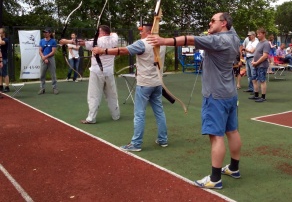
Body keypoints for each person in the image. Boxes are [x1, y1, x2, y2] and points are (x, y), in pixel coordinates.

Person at [147, 12, 242, 190]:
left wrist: (163, 41)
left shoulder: (217, 41)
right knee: (232, 131)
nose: (209, 23)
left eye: (213, 20)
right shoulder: (234, 36)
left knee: (216, 136)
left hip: (215, 96)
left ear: (223, 24)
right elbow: (215, 32)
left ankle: (214, 179)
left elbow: (189, 40)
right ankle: (234, 168)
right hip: (229, 94)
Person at [93, 23, 168, 152]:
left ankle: (136, 143)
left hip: (145, 83)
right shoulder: (162, 42)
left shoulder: (142, 43)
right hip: (157, 83)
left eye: (142, 31)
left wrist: (103, 51)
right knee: (159, 111)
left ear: (149, 32)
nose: (140, 33)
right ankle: (163, 139)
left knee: (139, 114)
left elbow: (123, 50)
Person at [60, 25, 120, 124]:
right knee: (112, 95)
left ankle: (91, 118)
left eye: (99, 32)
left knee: (93, 95)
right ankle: (116, 115)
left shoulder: (97, 41)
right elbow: (114, 33)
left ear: (103, 33)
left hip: (97, 72)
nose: (97, 34)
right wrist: (109, 33)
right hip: (109, 72)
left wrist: (65, 41)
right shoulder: (114, 39)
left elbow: (80, 42)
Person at [248, 28, 270, 102]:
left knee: (262, 80)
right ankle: (256, 94)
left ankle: (263, 97)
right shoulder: (259, 43)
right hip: (256, 65)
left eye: (259, 34)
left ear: (264, 34)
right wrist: (254, 61)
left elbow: (265, 56)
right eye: (257, 34)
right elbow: (256, 53)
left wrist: (256, 62)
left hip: (262, 65)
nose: (258, 35)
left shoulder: (266, 43)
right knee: (254, 79)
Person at [38, 28, 59, 95]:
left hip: (51, 59)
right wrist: (43, 58)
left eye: (46, 32)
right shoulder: (41, 41)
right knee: (42, 75)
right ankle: (42, 88)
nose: (45, 33)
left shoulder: (53, 41)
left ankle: (55, 88)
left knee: (53, 74)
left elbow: (53, 52)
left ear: (49, 33)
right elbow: (40, 50)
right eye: (44, 32)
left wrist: (46, 57)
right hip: (43, 58)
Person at [0, 28, 10, 92]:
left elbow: (1, 43)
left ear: (3, 33)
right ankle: (1, 85)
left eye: (0, 32)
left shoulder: (6, 40)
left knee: (4, 73)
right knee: (0, 73)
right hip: (0, 58)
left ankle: (7, 86)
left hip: (4, 58)